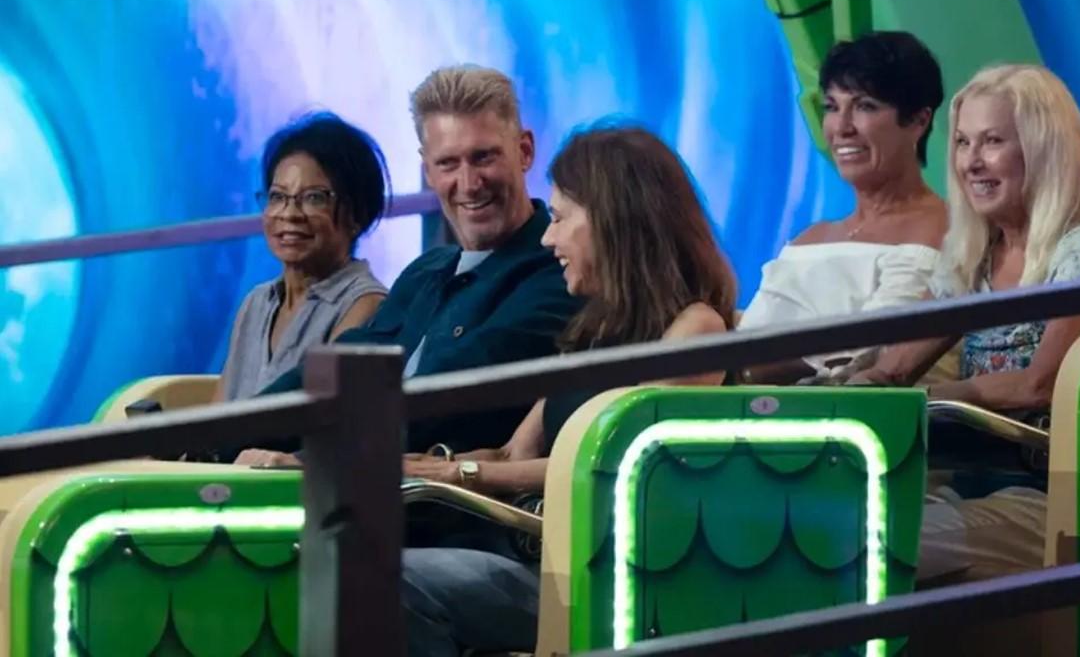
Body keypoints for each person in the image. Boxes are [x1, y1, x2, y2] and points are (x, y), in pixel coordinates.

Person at [399, 125, 737, 657]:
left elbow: (612, 464)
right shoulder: (592, 330)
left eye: (558, 219)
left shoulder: (695, 328)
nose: (546, 239)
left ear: (614, 221)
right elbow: (514, 451)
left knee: (398, 583)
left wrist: (463, 473)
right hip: (539, 554)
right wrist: (417, 466)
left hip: (605, 580)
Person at [843, 64, 1080, 619]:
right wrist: (844, 388)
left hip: (1051, 499)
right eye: (961, 143)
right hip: (971, 489)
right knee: (821, 523)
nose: (971, 161)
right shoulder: (976, 256)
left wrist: (932, 401)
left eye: (993, 142)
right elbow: (896, 368)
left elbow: (1038, 383)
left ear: (1042, 150)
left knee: (858, 544)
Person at [234, 65, 581, 464]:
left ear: (524, 152)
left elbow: (444, 405)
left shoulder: (558, 271)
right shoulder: (425, 272)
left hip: (435, 511)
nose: (469, 184)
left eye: (483, 157)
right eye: (448, 164)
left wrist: (304, 462)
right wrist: (209, 441)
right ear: (427, 171)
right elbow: (333, 374)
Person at [737, 32, 952, 385]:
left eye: (865, 106)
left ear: (918, 120)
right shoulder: (809, 238)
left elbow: (867, 357)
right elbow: (746, 343)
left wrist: (743, 368)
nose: (842, 127)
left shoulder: (945, 230)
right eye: (832, 107)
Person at [214, 112, 390, 402]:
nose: (289, 214)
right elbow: (216, 418)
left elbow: (324, 423)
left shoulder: (366, 306)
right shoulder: (256, 303)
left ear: (357, 214)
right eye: (278, 196)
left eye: (314, 198)